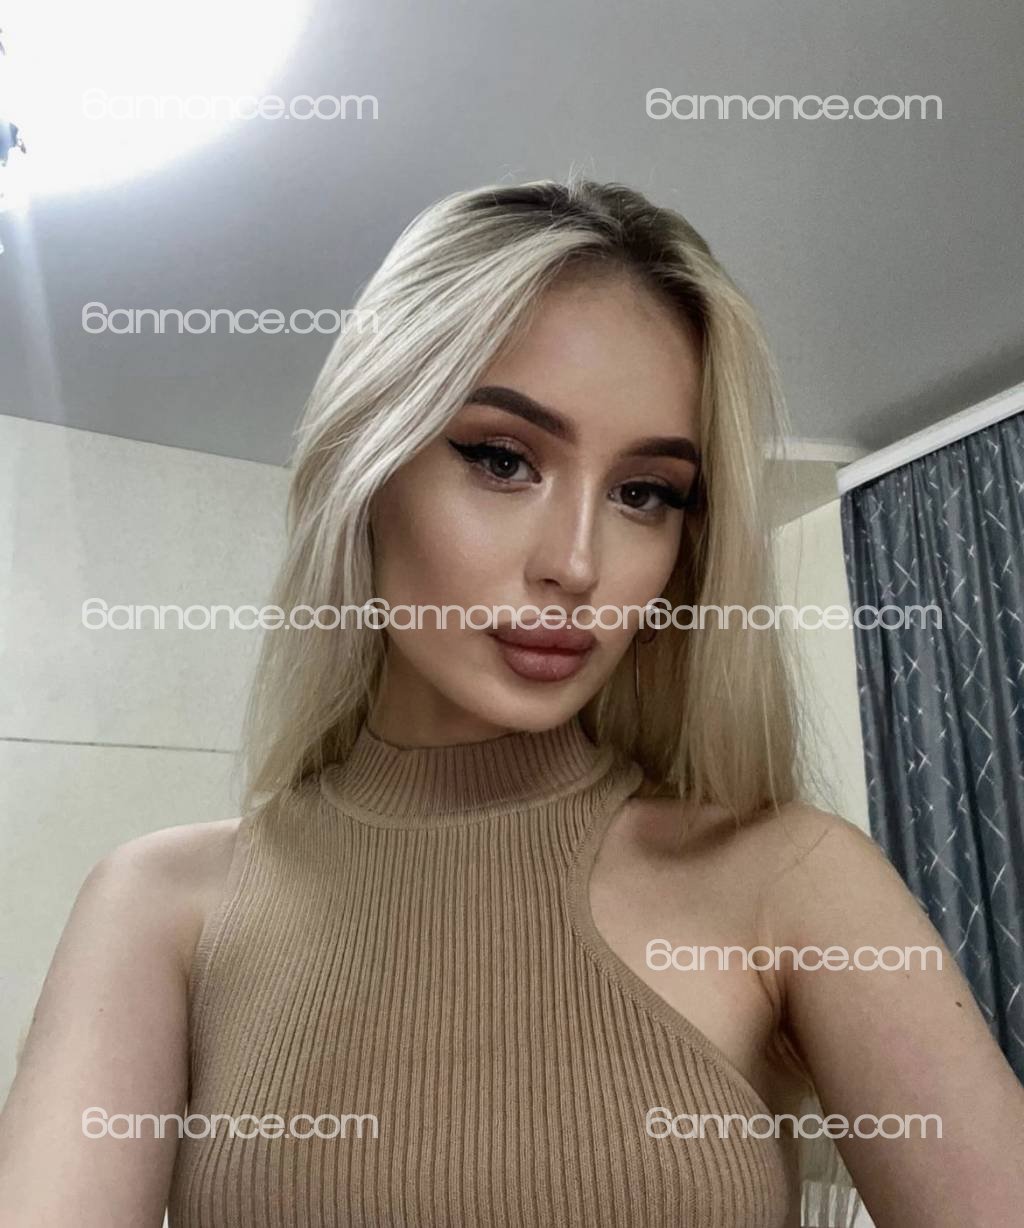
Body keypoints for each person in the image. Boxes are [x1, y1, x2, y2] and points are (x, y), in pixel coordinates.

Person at [2, 176, 1022, 1228]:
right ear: (365, 467)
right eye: (502, 459)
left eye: (644, 493)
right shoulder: (161, 906)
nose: (577, 564)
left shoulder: (793, 880)